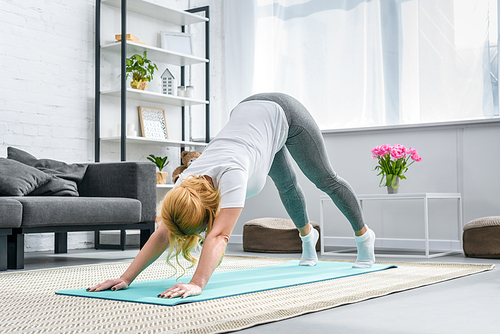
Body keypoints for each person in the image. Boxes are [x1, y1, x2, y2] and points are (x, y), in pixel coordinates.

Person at [88, 93, 376, 299]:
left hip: (282, 111)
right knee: (286, 186)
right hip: (248, 117)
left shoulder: (233, 176)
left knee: (324, 179)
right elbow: (163, 233)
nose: (201, 234)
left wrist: (197, 283)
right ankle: (307, 239)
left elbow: (219, 236)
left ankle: (364, 238)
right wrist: (126, 277)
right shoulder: (185, 183)